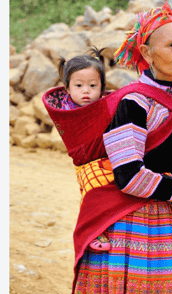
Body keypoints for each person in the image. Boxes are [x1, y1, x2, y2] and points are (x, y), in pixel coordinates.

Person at [42, 2, 172, 293]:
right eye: (171, 45)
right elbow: (128, 175)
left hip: (160, 219)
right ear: (147, 53)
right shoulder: (133, 102)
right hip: (121, 220)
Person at [57, 47, 111, 251]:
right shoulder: (67, 111)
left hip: (109, 159)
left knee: (109, 192)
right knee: (90, 192)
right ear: (68, 89)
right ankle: (91, 233)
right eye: (78, 85)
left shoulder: (108, 107)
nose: (86, 91)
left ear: (102, 88)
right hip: (85, 165)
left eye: (92, 85)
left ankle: (103, 228)